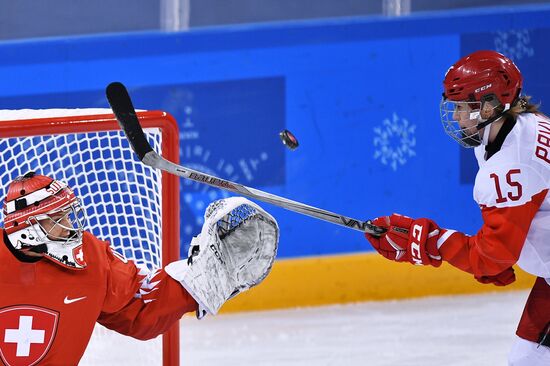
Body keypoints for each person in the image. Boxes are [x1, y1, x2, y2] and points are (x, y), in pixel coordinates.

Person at [364, 50, 550, 365]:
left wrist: (428, 243)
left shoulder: (512, 165)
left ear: (490, 106)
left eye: (464, 107)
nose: (456, 116)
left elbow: (493, 256)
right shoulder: (517, 128)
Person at [0, 171, 279, 365]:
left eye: (69, 215)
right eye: (57, 219)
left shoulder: (91, 259)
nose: (72, 226)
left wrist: (200, 276)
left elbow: (140, 309)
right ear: (27, 227)